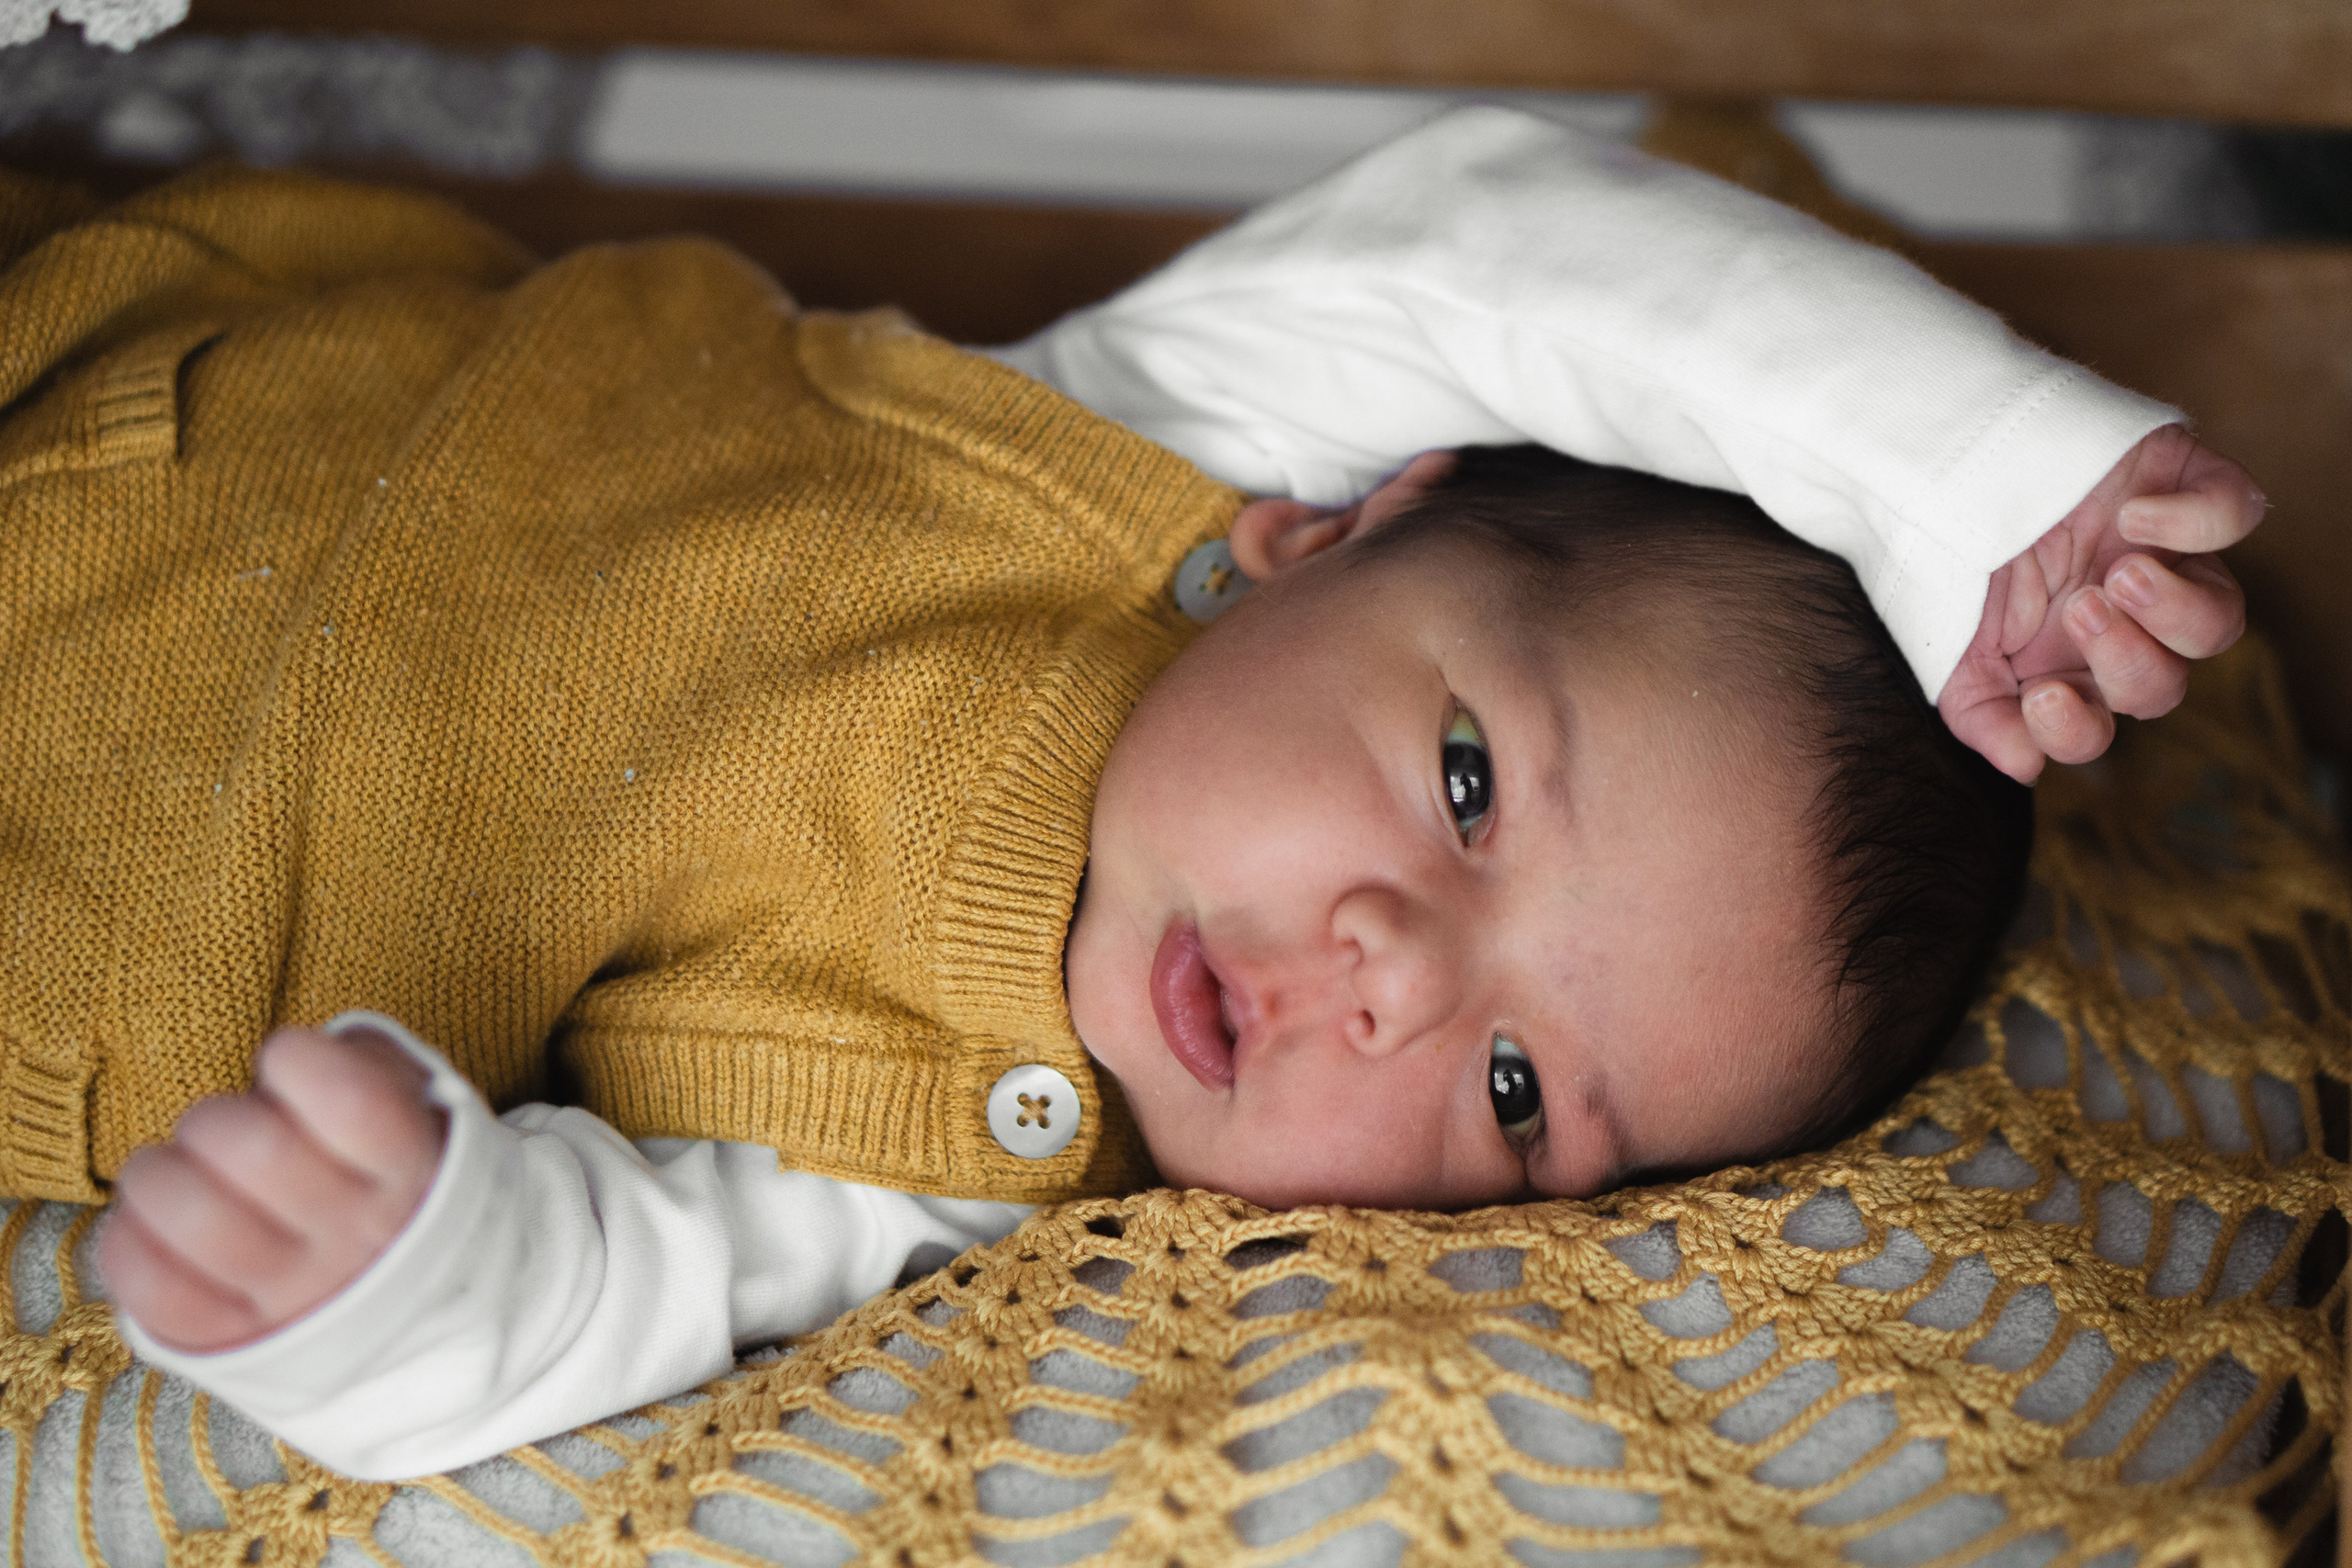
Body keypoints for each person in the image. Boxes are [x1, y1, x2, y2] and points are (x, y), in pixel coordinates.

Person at [0, 107, 2254, 1478]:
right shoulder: (1142, 438)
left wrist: (379, 1262)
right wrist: (1961, 477)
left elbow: (604, 1287)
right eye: (1467, 780)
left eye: (1509, 1087)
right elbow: (1489, 246)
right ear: (1339, 524)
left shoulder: (944, 1152)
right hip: (111, 340)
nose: (1384, 979)